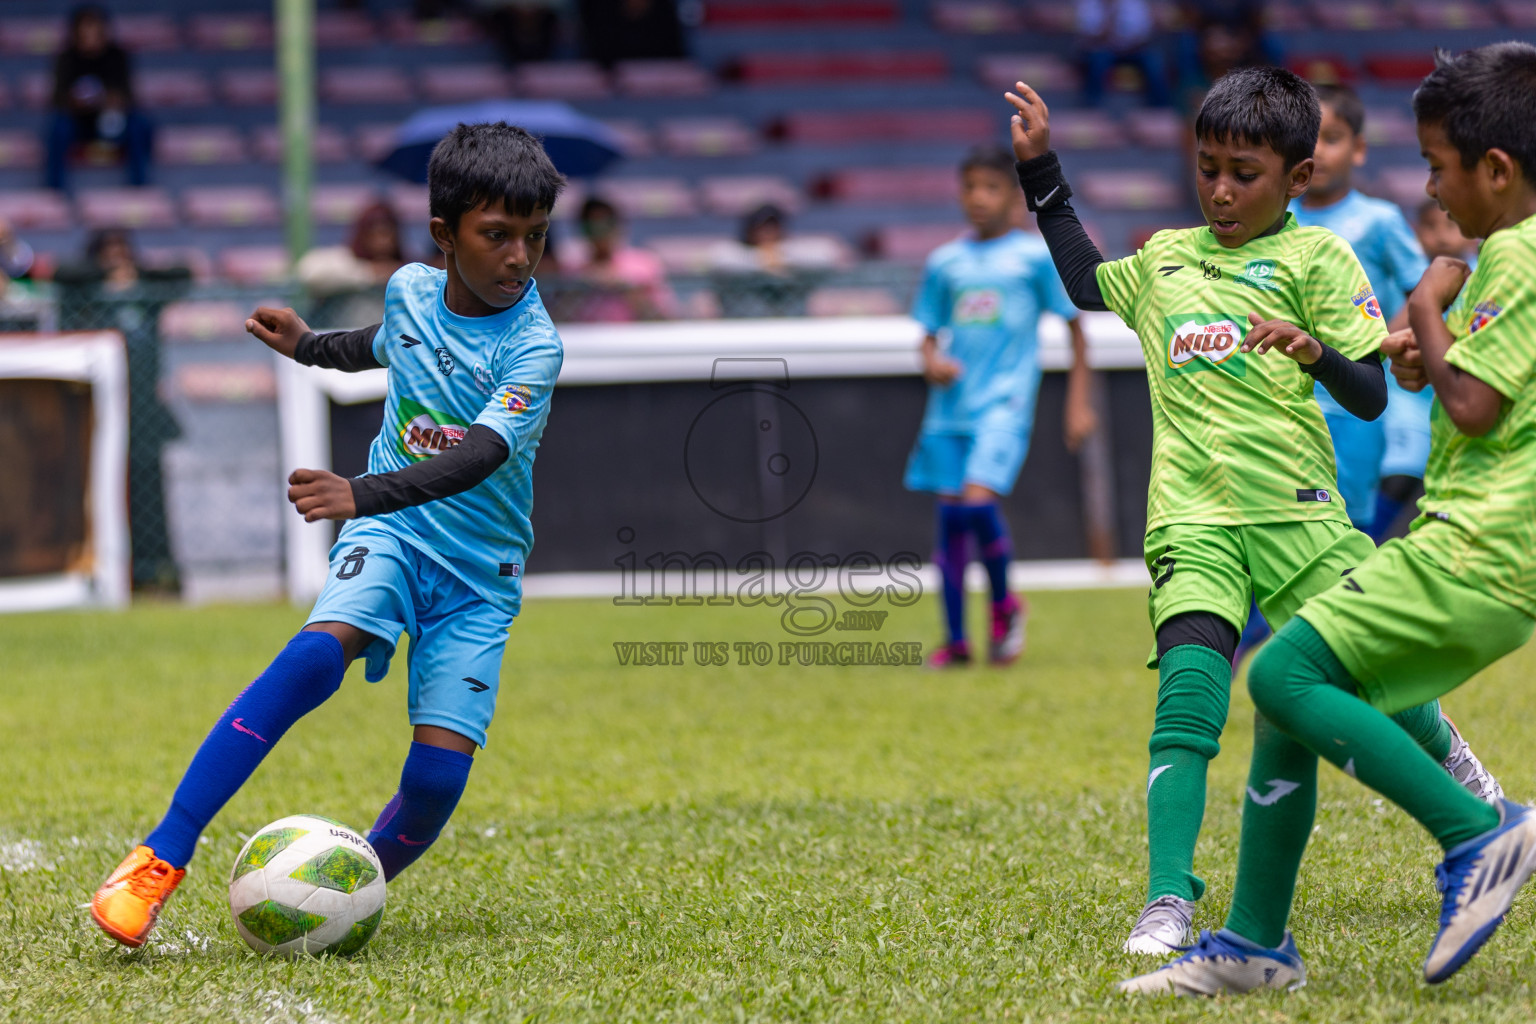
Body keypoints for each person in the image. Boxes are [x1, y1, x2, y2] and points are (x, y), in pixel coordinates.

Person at [1004, 67, 1501, 957]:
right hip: (1190, 523)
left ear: (1296, 179)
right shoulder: (1165, 260)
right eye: (1207, 169)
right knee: (1189, 700)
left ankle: (1461, 770)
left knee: (1373, 680)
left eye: (1244, 172)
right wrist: (1043, 173)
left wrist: (1314, 350)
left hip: (1303, 520)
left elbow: (1369, 398)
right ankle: (1167, 900)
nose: (1222, 190)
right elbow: (1085, 283)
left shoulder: (1319, 261)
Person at [1118, 42, 1536, 995]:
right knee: (1287, 693)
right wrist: (1432, 344)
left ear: (1498, 171)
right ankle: (1255, 945)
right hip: (1465, 541)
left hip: (1478, 544)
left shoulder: (1505, 253)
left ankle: (1482, 829)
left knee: (1288, 675)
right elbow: (1483, 384)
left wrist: (1430, 296)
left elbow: (1468, 409)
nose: (1429, 185)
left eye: (1438, 166)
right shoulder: (1514, 255)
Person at [89, 122, 566, 948]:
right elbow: (385, 348)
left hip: (481, 575)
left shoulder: (535, 346)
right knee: (316, 654)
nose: (520, 256)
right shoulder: (411, 290)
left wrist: (359, 491)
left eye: (535, 236)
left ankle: (346, 891)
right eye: (498, 235)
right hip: (397, 537)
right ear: (444, 236)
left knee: (438, 778)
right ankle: (158, 857)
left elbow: (482, 456)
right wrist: (309, 346)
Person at [1230, 84, 1433, 662]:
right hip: (1282, 407)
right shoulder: (1270, 222)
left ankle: (1332, 659)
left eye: (1334, 137)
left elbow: (1425, 289)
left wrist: (1383, 339)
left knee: (1347, 535)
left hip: (1351, 405)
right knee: (1276, 532)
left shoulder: (1377, 220)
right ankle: (1260, 647)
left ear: (1359, 150)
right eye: (1311, 137)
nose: (1321, 149)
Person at [907, 144, 1096, 668]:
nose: (978, 199)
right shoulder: (945, 262)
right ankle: (957, 641)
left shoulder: (1033, 257)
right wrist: (931, 360)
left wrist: (1077, 403)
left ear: (1013, 197)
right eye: (970, 188)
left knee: (976, 504)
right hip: (949, 411)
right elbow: (926, 331)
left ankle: (1004, 607)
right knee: (949, 526)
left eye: (990, 188)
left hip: (1004, 407)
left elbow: (1077, 329)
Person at [1372, 199, 1480, 539]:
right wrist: (1424, 294)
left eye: (1451, 225)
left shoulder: (1487, 273)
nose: (1442, 237)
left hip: (1459, 396)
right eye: (1431, 228)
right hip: (1409, 399)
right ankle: (1373, 547)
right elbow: (1388, 337)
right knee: (1399, 479)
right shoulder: (1412, 277)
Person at [46, 4, 154, 193]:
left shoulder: (117, 56)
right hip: (79, 122)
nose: (90, 35)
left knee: (140, 125)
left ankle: (139, 188)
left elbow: (128, 96)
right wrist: (76, 102)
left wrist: (112, 100)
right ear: (76, 32)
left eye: (94, 29)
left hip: (111, 119)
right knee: (58, 128)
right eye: (85, 29)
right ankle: (55, 191)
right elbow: (56, 99)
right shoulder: (66, 58)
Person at [563, 196, 676, 321]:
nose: (599, 234)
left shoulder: (646, 264)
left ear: (617, 226)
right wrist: (581, 288)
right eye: (591, 228)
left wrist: (625, 287)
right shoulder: (571, 270)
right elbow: (558, 321)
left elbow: (664, 319)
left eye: (605, 225)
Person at [297, 201, 408, 326]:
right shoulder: (345, 259)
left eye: (387, 233)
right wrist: (369, 273)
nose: (382, 241)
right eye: (375, 232)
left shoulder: (405, 268)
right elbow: (310, 274)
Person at [1077, 0, 1170, 107]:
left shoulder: (1135, 4)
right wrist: (1110, 16)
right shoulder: (1088, 5)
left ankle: (1160, 108)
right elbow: (1087, 39)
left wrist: (1130, 43)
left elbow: (1145, 35)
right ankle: (1091, 107)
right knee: (1097, 61)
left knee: (1154, 61)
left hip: (1134, 50)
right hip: (1104, 50)